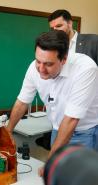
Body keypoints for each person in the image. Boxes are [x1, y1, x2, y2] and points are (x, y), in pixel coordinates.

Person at [7, 30, 98, 176]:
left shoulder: (86, 68)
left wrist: (50, 161)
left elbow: (71, 119)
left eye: (48, 64)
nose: (41, 69)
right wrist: (8, 131)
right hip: (57, 129)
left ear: (64, 59)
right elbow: (22, 102)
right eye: (38, 61)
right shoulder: (34, 68)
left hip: (83, 132)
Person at [36, 9, 98, 150]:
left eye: (59, 26)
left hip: (87, 119)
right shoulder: (52, 48)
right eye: (52, 28)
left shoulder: (93, 42)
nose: (55, 30)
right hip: (61, 117)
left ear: (70, 23)